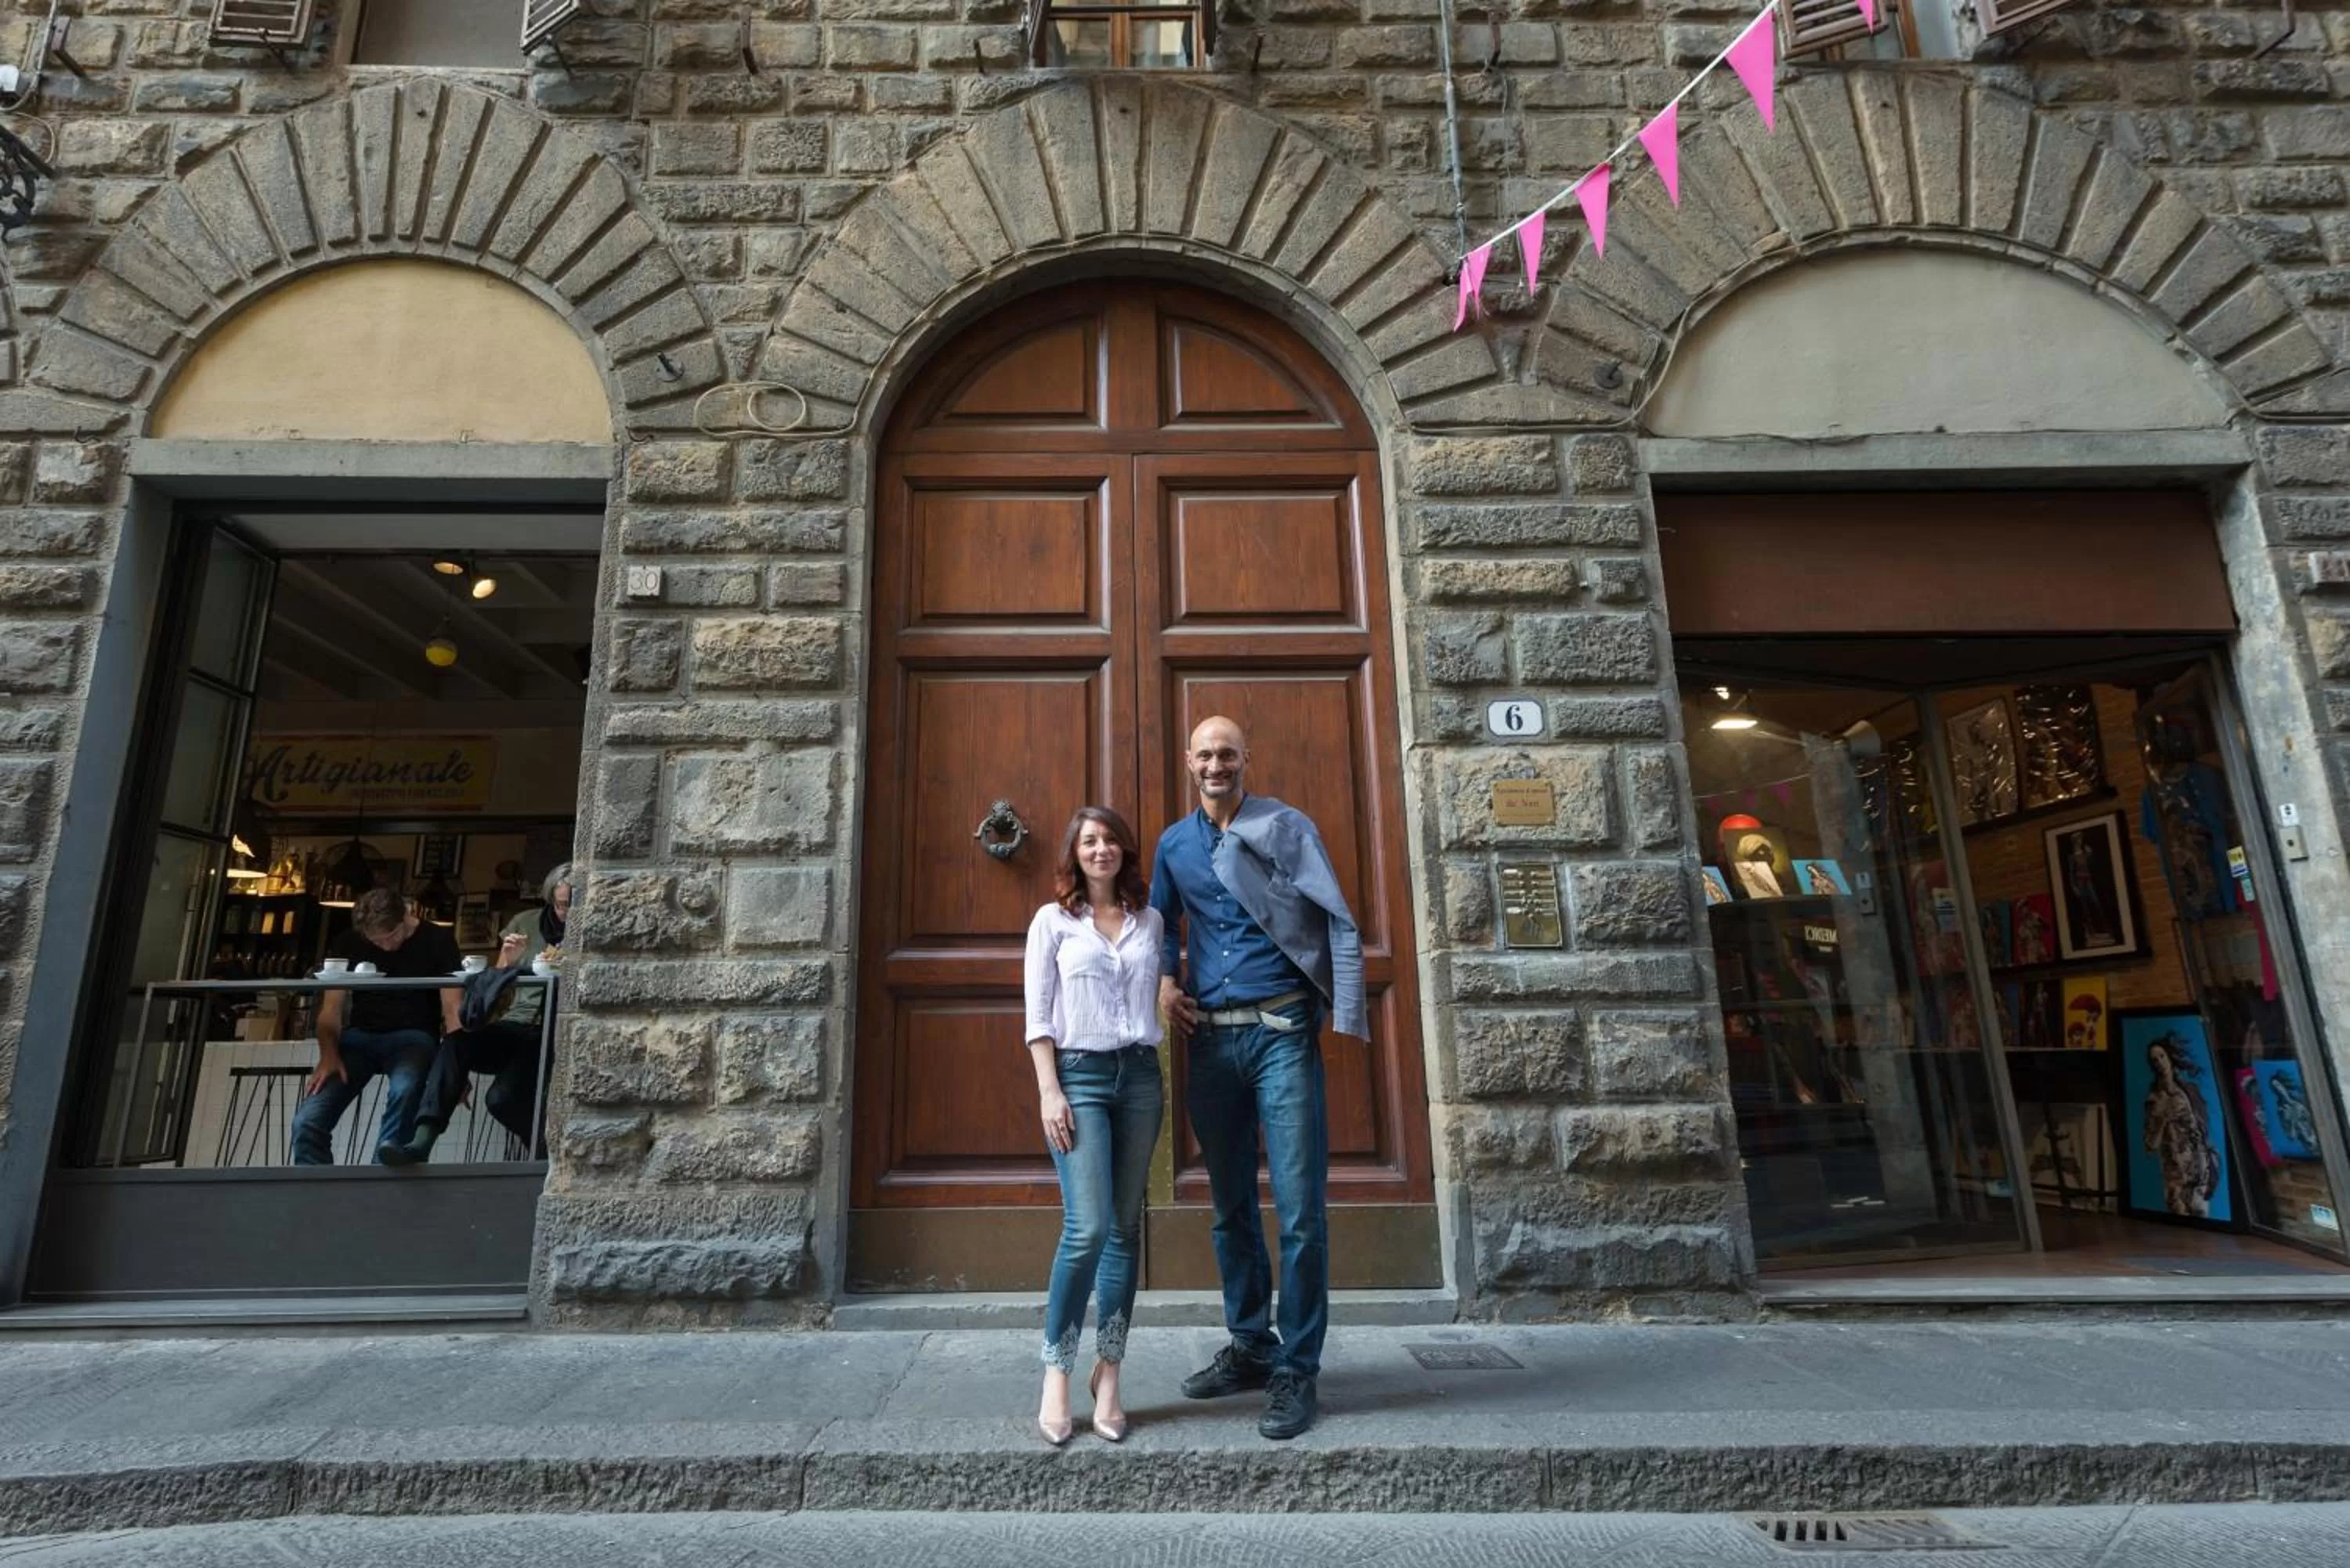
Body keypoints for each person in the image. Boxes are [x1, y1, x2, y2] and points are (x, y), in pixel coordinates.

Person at [1150, 715, 1365, 1441]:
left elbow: (1336, 913)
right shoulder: (1174, 845)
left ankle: (1296, 1369)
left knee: (1301, 1211)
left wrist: (1342, 1009)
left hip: (1280, 1035)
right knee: (1231, 1206)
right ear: (1190, 763)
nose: (1217, 764)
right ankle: (1250, 1344)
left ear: (1248, 759)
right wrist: (1162, 984)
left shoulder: (1286, 826)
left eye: (1228, 754)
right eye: (1205, 754)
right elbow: (1159, 925)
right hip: (1211, 1045)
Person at [1025, 810, 1163, 1446]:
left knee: (1125, 1228)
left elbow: (1156, 989)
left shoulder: (1150, 922)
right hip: (1077, 1079)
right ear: (1073, 854)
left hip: (1139, 1077)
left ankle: (1109, 1371)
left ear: (1122, 851)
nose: (1101, 849)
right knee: (1089, 1228)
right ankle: (1057, 1371)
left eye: (1110, 840)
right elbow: (1038, 1018)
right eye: (1088, 841)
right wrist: (1050, 1091)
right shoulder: (1053, 923)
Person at [385, 864, 569, 1166]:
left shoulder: (591, 929)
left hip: (550, 1031)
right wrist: (508, 960)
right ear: (551, 899)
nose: (566, 912)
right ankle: (421, 1140)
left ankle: (546, 1158)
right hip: (514, 1023)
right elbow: (494, 993)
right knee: (457, 1041)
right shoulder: (525, 923)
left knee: (501, 1100)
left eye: (573, 905)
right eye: (561, 904)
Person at [290, 887, 461, 1166]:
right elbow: (331, 1009)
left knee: (405, 1093)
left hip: (415, 1036)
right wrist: (328, 1054)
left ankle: (381, 1183)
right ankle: (316, 1194)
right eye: (375, 941)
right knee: (307, 1122)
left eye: (390, 936)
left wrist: (456, 1067)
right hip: (360, 1037)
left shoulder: (437, 940)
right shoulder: (349, 942)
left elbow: (453, 1010)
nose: (384, 946)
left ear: (406, 915)